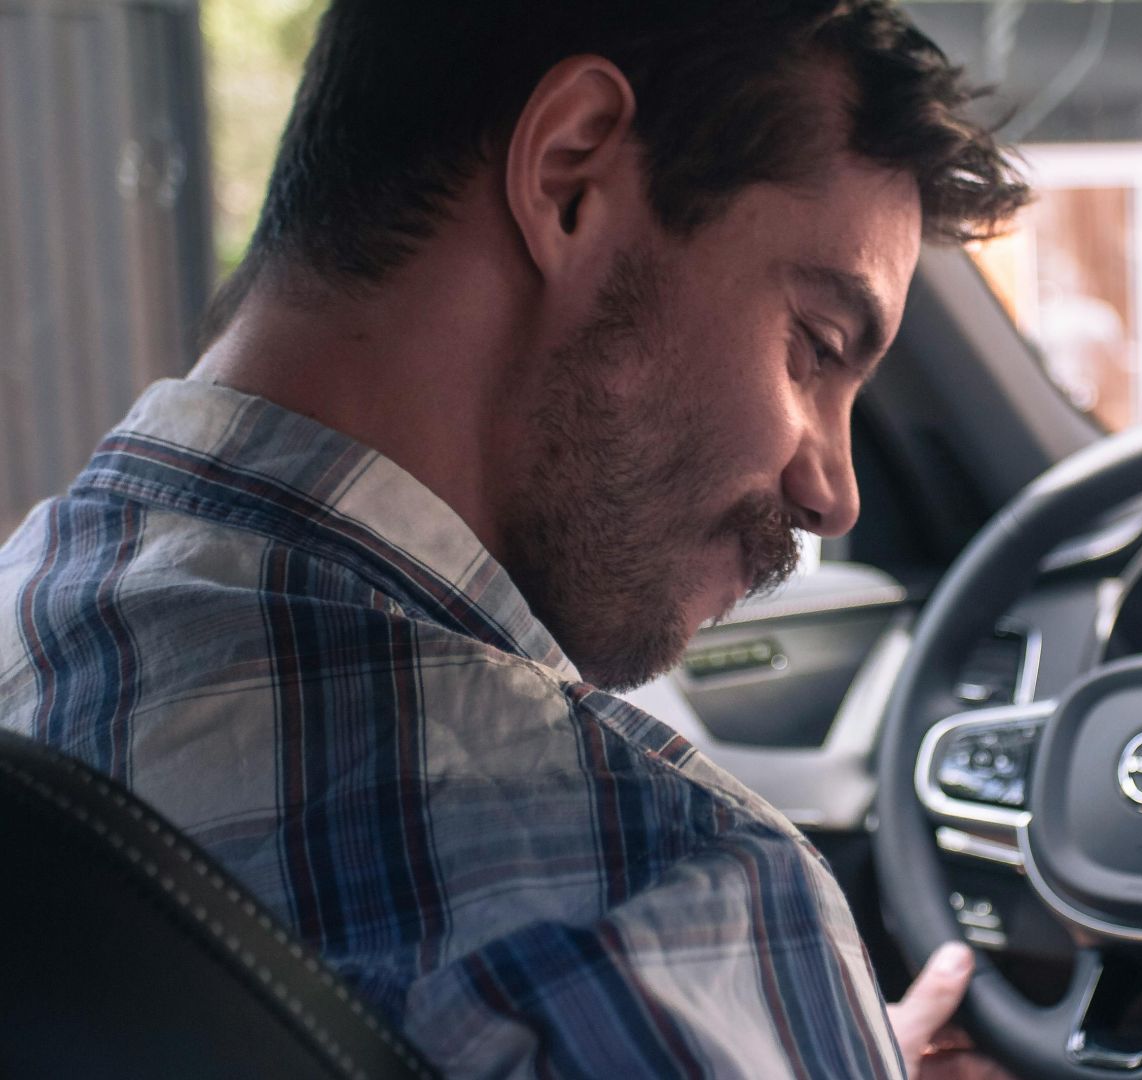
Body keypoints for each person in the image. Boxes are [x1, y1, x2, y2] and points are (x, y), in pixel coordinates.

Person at [0, 1, 1028, 1076]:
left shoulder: (32, 626)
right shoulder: (660, 899)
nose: (833, 493)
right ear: (570, 174)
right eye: (816, 348)